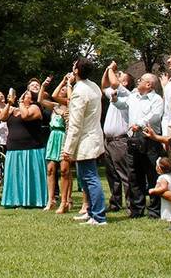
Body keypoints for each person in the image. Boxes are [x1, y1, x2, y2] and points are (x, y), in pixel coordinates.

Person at [62, 58, 107, 225]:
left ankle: (99, 216)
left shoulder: (80, 91)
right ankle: (90, 211)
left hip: (86, 138)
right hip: (92, 134)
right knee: (84, 175)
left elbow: (75, 122)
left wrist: (68, 149)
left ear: (76, 71)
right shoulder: (93, 86)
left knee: (90, 177)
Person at [115, 72, 164, 219]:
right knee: (134, 175)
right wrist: (114, 99)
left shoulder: (157, 99)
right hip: (133, 140)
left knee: (153, 174)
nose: (138, 81)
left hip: (150, 140)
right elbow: (122, 105)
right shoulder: (134, 96)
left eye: (141, 79)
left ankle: (155, 210)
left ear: (149, 85)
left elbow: (155, 116)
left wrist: (140, 124)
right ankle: (137, 209)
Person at [0, 89, 46, 208]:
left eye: (27, 96)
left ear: (32, 99)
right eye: (24, 94)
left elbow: (25, 116)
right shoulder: (12, 109)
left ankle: (33, 201)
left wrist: (20, 103)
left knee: (30, 176)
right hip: (14, 148)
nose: (24, 96)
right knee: (16, 177)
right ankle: (14, 200)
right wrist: (9, 103)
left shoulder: (35, 108)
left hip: (31, 148)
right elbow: (2, 117)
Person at [101, 61, 131, 212]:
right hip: (109, 141)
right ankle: (115, 203)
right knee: (111, 173)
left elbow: (112, 82)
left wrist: (111, 68)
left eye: (120, 76)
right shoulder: (113, 93)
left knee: (124, 173)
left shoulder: (126, 95)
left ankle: (132, 205)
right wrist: (108, 69)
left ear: (124, 82)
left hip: (120, 140)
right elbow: (104, 85)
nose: (117, 77)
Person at [39, 74, 71, 212]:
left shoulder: (70, 105)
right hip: (53, 136)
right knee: (50, 169)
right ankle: (50, 200)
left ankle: (66, 200)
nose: (62, 90)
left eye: (65, 88)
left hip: (65, 136)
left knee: (65, 170)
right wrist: (44, 86)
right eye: (61, 88)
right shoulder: (54, 106)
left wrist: (67, 84)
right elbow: (41, 99)